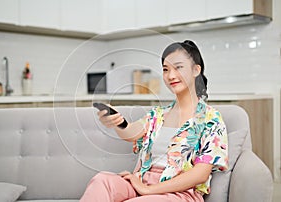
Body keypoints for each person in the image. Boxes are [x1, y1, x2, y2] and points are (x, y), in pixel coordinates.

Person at [80, 40, 228, 202]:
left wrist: (149, 190)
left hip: (179, 193)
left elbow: (200, 174)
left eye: (178, 67)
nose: (171, 75)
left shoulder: (211, 118)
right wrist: (116, 120)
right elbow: (131, 132)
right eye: (166, 69)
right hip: (142, 182)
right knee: (102, 180)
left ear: (195, 70)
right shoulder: (158, 114)